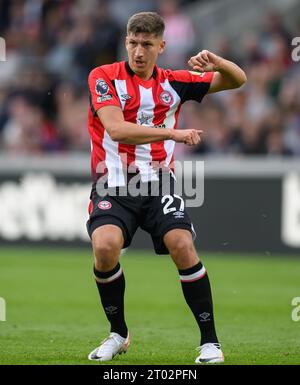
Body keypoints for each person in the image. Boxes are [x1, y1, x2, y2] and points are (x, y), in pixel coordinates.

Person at [86, 11, 246, 364]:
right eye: (132, 43)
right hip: (113, 183)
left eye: (146, 44)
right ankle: (118, 333)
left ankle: (210, 343)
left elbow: (237, 80)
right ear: (125, 42)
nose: (138, 51)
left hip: (159, 181)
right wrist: (173, 133)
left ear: (161, 46)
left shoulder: (175, 81)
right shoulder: (103, 77)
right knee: (105, 247)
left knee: (182, 244)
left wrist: (216, 61)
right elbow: (117, 129)